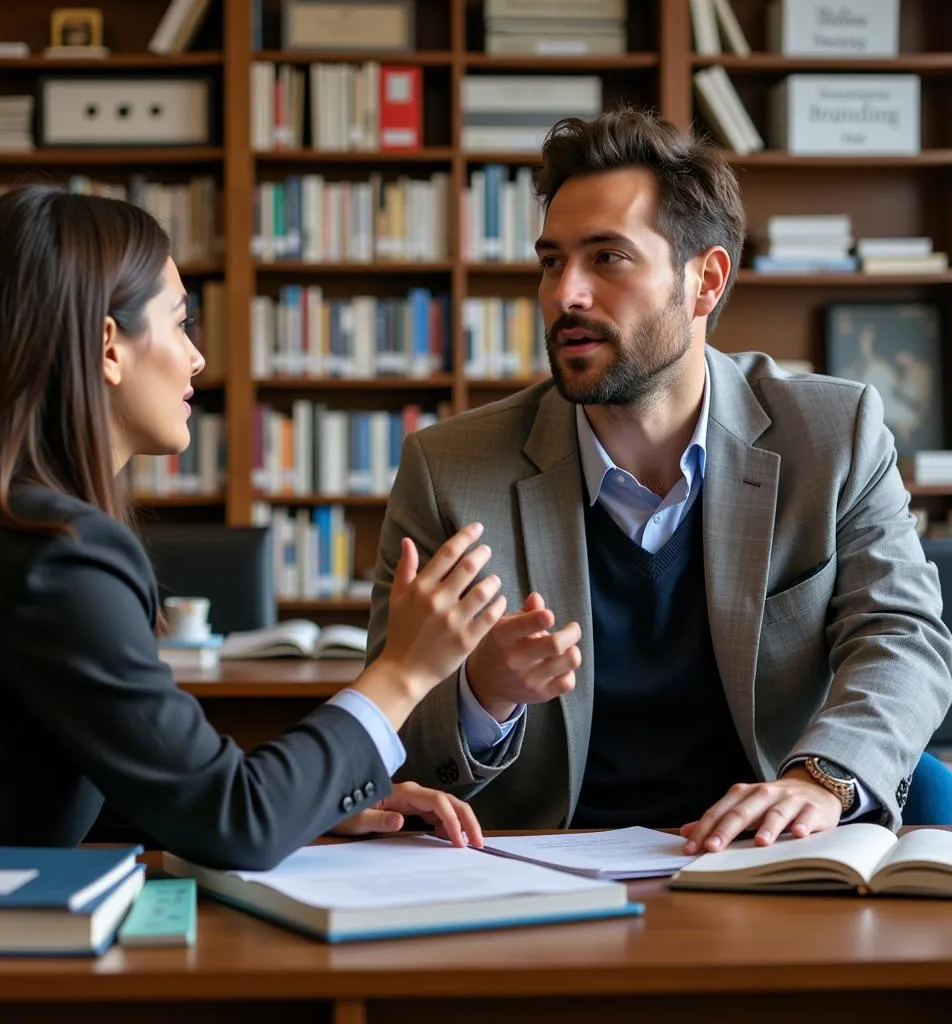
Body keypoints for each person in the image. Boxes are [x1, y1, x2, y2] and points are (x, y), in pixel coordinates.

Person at [366, 106, 952, 854]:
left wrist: (821, 781)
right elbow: (386, 734)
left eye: (606, 258)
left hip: (772, 857)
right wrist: (484, 694)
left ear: (705, 281)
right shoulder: (448, 469)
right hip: (541, 867)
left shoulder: (832, 437)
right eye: (552, 260)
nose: (564, 294)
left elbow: (901, 638)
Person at [0, 184, 508, 869]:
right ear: (108, 347)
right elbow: (237, 822)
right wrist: (403, 673)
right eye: (179, 323)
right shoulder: (54, 554)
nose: (197, 357)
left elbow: (33, 782)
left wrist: (315, 802)